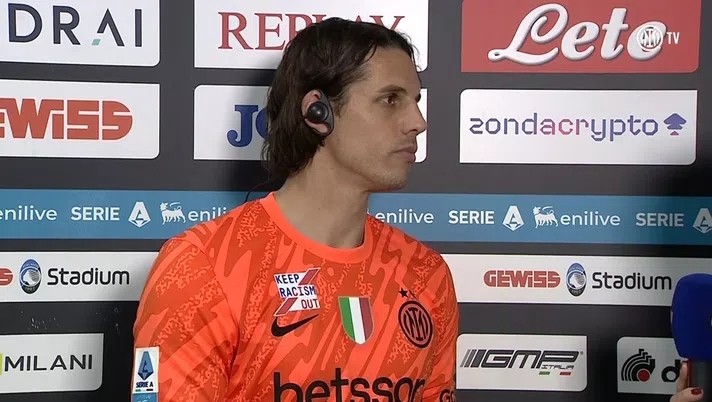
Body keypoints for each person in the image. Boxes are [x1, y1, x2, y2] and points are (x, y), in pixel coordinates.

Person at [129, 17, 458, 402]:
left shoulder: (426, 273)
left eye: (415, 101)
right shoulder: (203, 265)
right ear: (318, 112)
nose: (418, 122)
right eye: (390, 100)